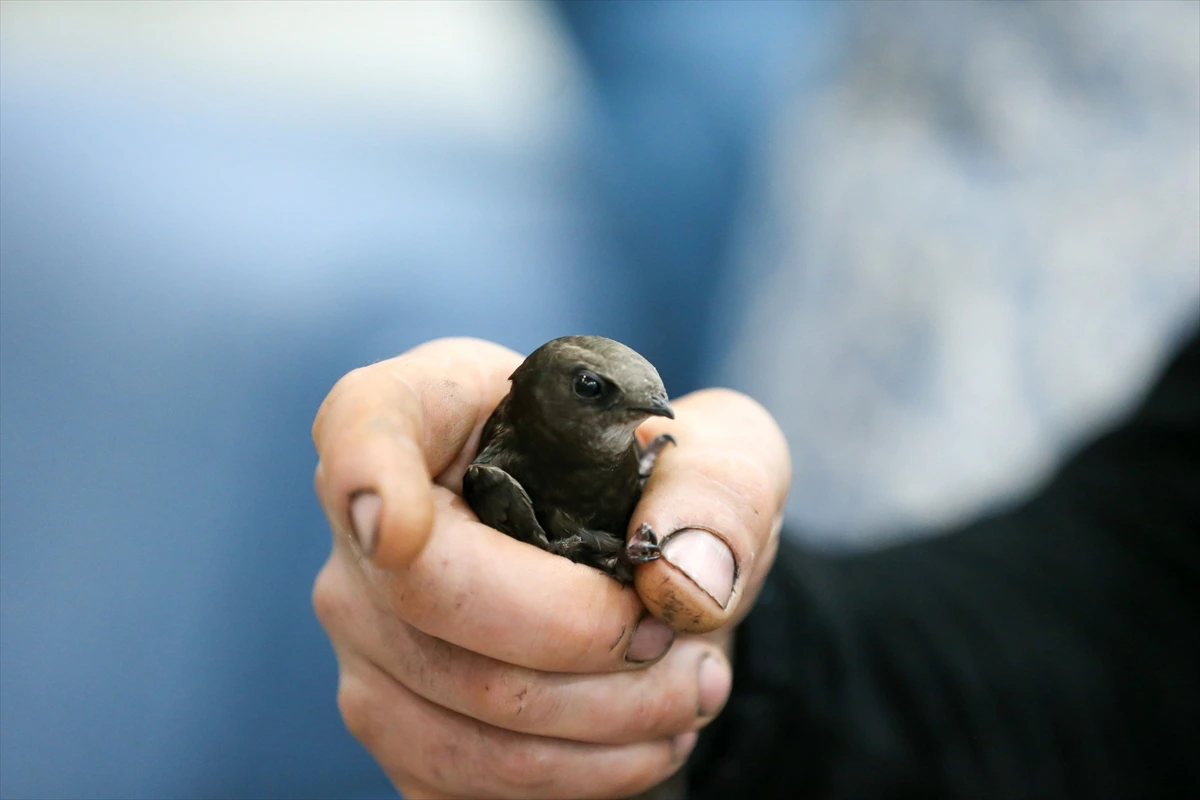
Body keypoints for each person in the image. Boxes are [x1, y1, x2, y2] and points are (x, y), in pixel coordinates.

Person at [310, 326, 1200, 798]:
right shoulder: (522, 461)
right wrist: (740, 644)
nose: (649, 418)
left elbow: (1142, 614)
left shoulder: (644, 434)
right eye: (600, 397)